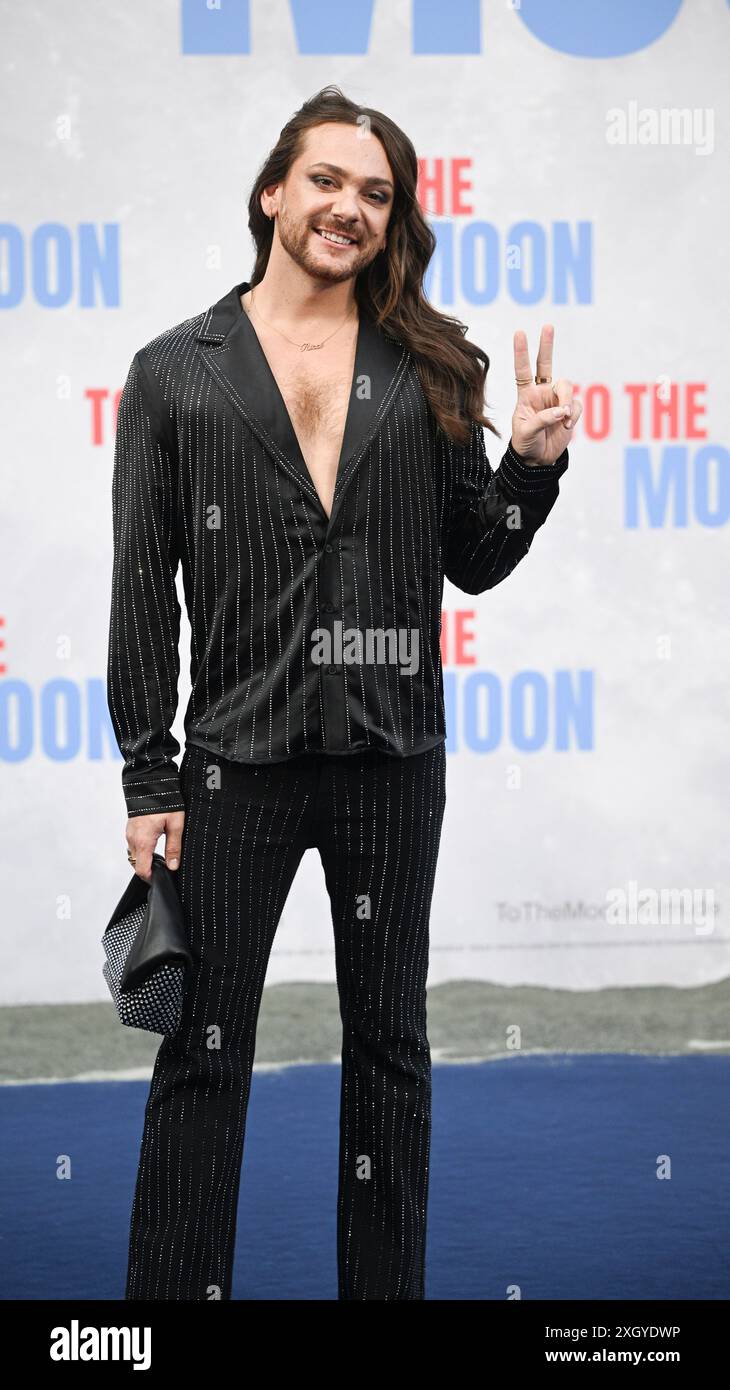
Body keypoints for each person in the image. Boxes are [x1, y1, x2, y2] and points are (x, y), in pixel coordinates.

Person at [107, 84, 580, 1301]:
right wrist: (148, 770)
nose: (349, 208)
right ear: (274, 191)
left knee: (390, 1052)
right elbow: (139, 585)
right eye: (326, 181)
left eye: (376, 192)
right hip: (233, 765)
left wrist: (529, 469)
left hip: (391, 759)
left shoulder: (433, 364)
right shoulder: (173, 373)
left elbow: (472, 555)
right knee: (203, 1060)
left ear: (393, 219)